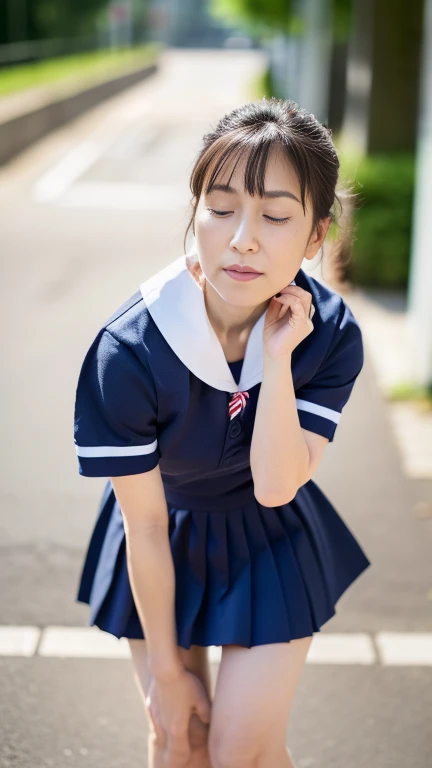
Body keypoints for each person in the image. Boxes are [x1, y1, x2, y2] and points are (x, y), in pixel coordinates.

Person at [73, 97, 371, 768]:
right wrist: (170, 679)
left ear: (316, 236)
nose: (243, 239)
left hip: (270, 535)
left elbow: (275, 485)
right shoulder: (130, 349)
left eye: (274, 216)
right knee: (180, 737)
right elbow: (144, 527)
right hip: (163, 530)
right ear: (196, 211)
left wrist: (277, 358)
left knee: (244, 750)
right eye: (221, 207)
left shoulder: (330, 333)